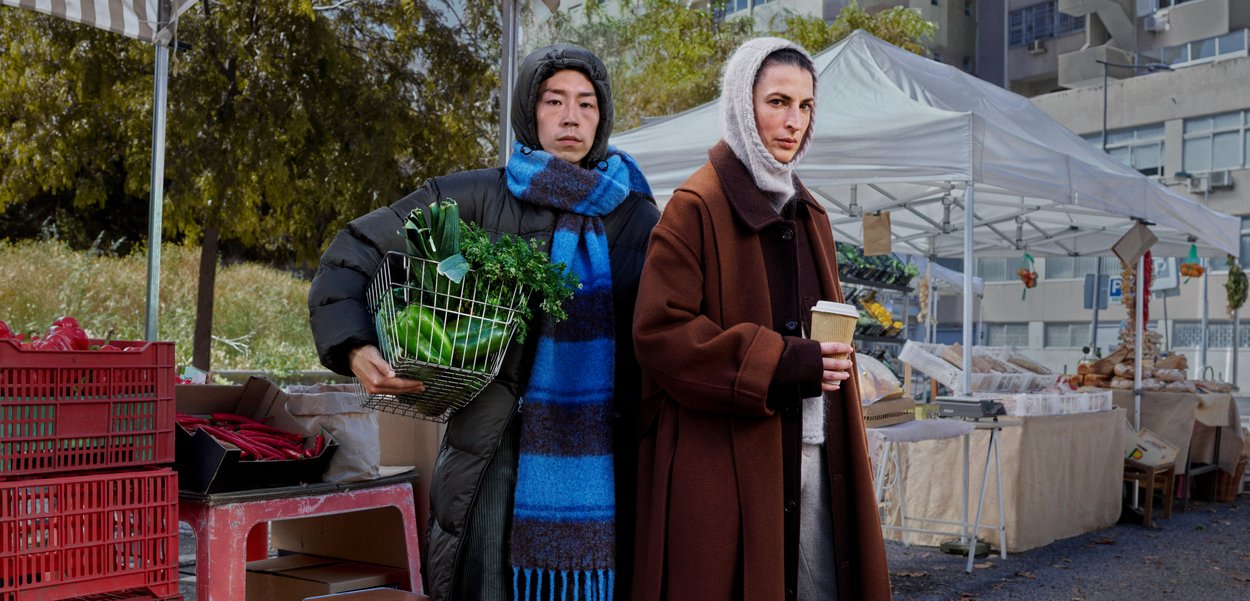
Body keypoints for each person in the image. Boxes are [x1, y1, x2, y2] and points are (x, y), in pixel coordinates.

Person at [308, 44, 660, 601]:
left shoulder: (638, 217)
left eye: (587, 104)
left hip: (600, 467)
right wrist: (353, 346)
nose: (571, 117)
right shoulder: (476, 197)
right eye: (554, 101)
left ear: (604, 116)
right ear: (528, 110)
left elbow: (666, 329)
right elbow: (356, 248)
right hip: (492, 458)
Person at [630, 38, 891, 601]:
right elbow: (661, 334)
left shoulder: (809, 210)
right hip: (727, 460)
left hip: (816, 450)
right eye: (777, 101)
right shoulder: (694, 206)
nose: (793, 121)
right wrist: (783, 362)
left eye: (805, 106)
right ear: (740, 104)